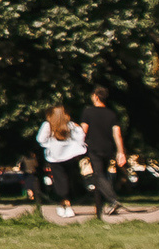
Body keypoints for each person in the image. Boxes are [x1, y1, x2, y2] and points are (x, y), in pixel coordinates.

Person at [80, 87, 128, 218]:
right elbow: (117, 134)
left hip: (93, 147)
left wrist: (78, 146)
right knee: (104, 176)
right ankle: (101, 205)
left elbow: (83, 131)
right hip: (108, 148)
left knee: (98, 175)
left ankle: (112, 200)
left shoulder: (88, 112)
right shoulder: (111, 114)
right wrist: (120, 151)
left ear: (96, 96)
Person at [37, 107, 89, 221]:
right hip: (69, 156)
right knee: (67, 180)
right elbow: (81, 136)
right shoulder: (71, 125)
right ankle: (66, 204)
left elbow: (41, 139)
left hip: (55, 158)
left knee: (60, 181)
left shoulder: (48, 125)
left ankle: (64, 204)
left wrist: (50, 145)